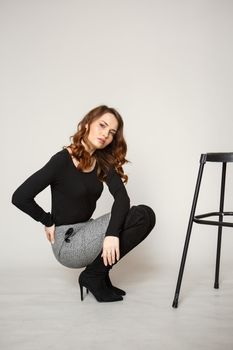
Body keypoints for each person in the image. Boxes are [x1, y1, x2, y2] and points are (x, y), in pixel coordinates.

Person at [11, 105, 156, 303]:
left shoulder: (102, 161)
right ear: (87, 124)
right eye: (102, 125)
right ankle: (94, 276)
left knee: (145, 214)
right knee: (138, 216)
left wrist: (112, 233)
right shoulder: (62, 160)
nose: (106, 134)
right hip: (68, 243)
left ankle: (99, 276)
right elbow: (20, 196)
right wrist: (47, 220)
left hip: (87, 229)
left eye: (112, 132)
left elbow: (122, 198)